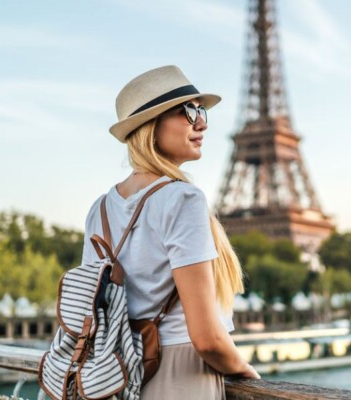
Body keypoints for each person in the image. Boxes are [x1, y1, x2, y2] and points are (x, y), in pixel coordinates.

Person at [80, 65, 260, 399]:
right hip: (181, 374)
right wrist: (248, 373)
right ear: (151, 125)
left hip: (118, 376)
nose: (202, 122)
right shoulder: (183, 198)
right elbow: (207, 338)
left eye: (201, 110)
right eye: (189, 111)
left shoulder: (99, 209)